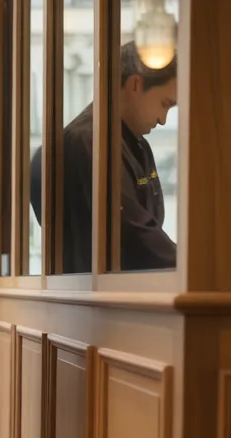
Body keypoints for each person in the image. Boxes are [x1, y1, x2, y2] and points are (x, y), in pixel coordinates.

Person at [30, 41, 177, 273]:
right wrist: (189, 266)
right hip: (100, 298)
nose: (163, 119)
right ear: (135, 84)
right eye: (165, 104)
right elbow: (132, 232)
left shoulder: (137, 144)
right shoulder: (89, 141)